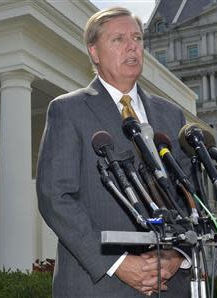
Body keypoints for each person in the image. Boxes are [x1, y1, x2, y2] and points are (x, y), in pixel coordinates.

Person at [36, 7, 192, 297]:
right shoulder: (67, 110)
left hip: (169, 285)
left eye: (137, 38)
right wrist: (117, 262)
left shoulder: (171, 115)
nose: (132, 46)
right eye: (119, 39)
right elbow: (55, 197)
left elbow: (188, 195)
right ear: (94, 52)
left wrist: (176, 257)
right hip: (99, 284)